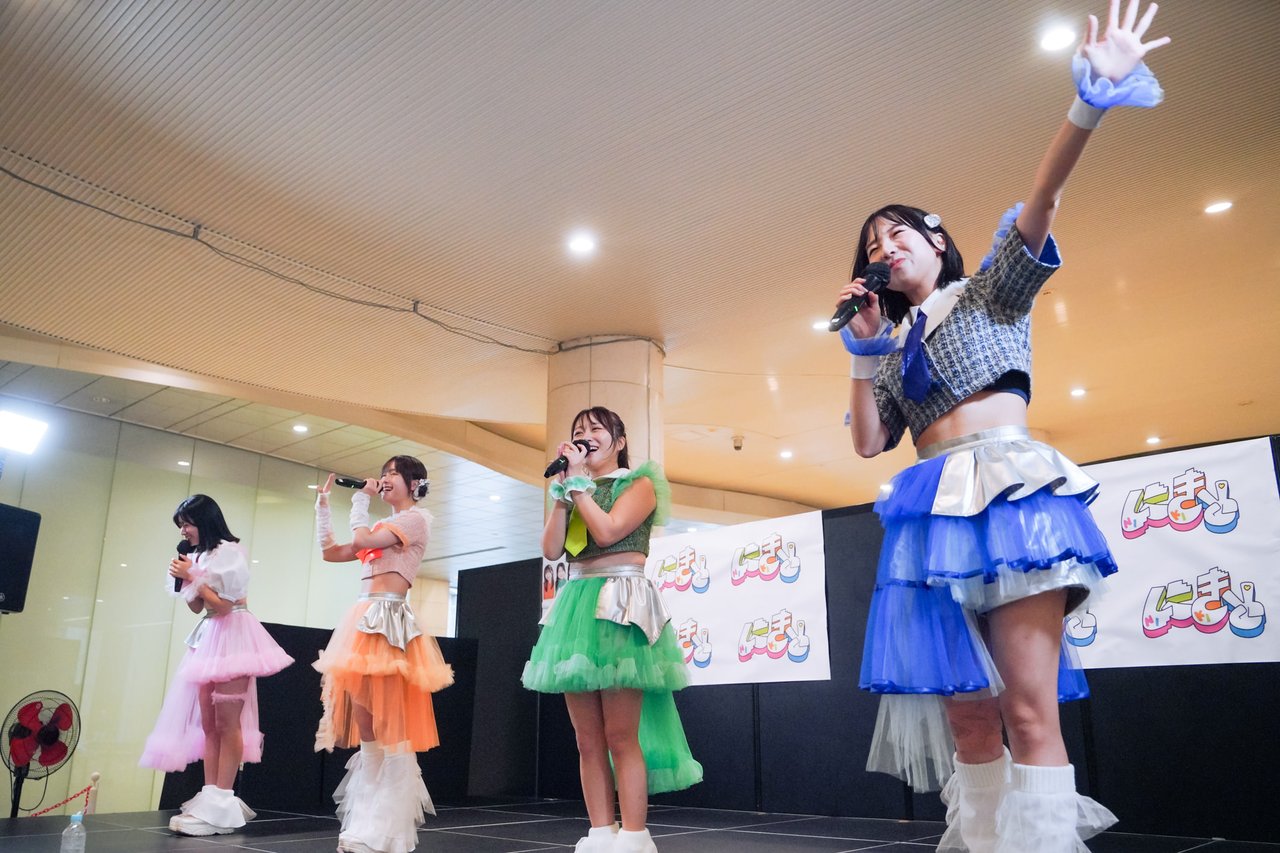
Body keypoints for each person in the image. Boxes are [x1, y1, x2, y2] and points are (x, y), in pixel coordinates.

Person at [836, 3, 1170, 851]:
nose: (886, 247)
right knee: (970, 721)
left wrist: (1088, 102)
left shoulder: (990, 290)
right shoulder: (894, 349)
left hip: (1012, 495)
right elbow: (869, 442)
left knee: (1027, 707)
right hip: (932, 512)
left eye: (898, 232)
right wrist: (863, 350)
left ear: (936, 239)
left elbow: (1043, 199)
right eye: (874, 244)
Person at [523, 406, 702, 853]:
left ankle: (634, 837)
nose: (585, 435)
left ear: (619, 442)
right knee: (587, 740)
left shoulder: (638, 483)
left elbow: (607, 532)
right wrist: (562, 494)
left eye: (595, 429)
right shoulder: (573, 488)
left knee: (621, 735)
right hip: (578, 604)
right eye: (578, 430)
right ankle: (600, 833)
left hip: (622, 601)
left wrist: (578, 486)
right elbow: (551, 549)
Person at [313, 455, 454, 853]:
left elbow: (362, 541)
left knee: (391, 729)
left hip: (390, 622)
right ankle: (364, 825)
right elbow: (332, 552)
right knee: (368, 730)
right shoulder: (382, 527)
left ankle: (388, 832)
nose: (385, 479)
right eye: (384, 473)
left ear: (414, 484)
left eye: (394, 474)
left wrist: (360, 501)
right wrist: (323, 508)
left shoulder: (415, 520)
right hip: (363, 620)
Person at [140, 494, 294, 836]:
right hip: (208, 636)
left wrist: (194, 575)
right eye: (181, 525)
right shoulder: (197, 556)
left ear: (205, 521)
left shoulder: (228, 552)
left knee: (227, 722)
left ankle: (223, 800)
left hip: (235, 635)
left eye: (187, 523)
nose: (183, 530)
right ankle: (210, 796)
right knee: (208, 724)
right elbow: (198, 608)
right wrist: (187, 579)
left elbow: (225, 605)